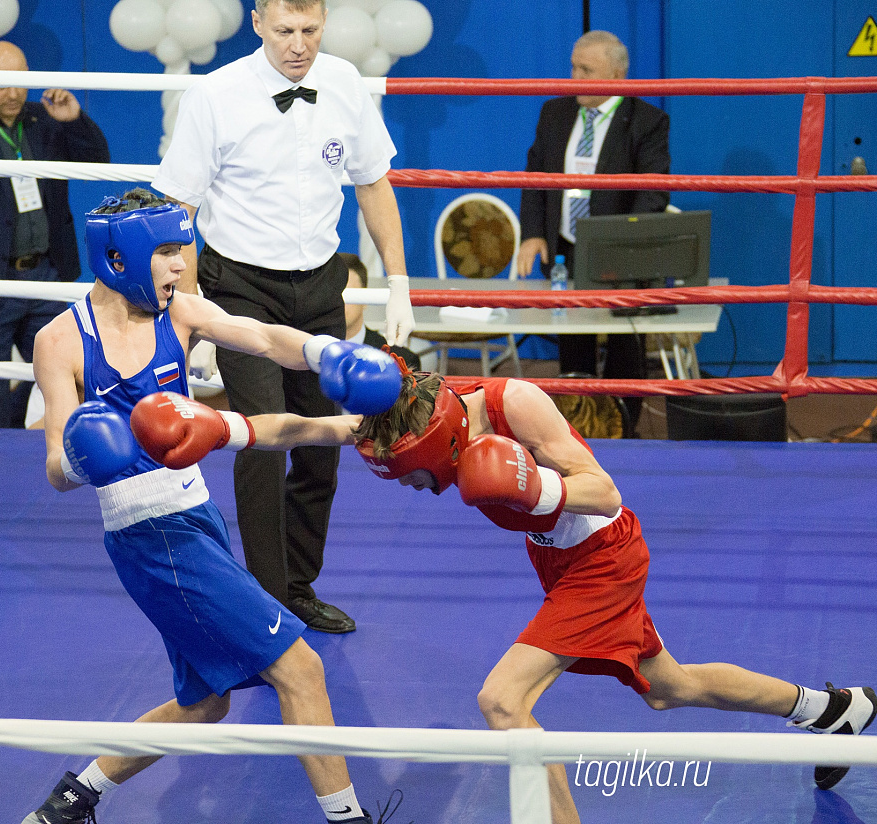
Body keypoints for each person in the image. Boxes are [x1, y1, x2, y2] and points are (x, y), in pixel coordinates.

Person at [353, 362, 877, 824]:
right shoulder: (418, 413)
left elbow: (605, 494)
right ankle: (835, 711)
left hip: (602, 559)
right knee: (668, 687)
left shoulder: (512, 403)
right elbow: (322, 427)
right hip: (559, 559)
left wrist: (538, 488)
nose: (403, 484)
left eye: (406, 471)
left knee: (503, 701)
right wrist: (268, 430)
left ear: (434, 443)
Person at [24, 189, 401, 824]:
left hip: (196, 520)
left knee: (206, 704)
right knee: (302, 669)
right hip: (150, 537)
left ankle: (69, 802)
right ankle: (349, 821)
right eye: (167, 252)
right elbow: (57, 468)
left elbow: (262, 336)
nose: (179, 267)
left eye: (183, 251)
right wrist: (91, 458)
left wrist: (323, 352)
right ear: (122, 256)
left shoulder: (181, 313)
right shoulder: (61, 342)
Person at [150, 0, 415, 634]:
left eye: (311, 30)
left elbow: (374, 182)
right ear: (258, 23)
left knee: (324, 443)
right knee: (264, 436)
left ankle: (298, 586)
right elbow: (179, 206)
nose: (299, 44)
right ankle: (262, 602)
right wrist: (194, 314)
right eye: (286, 30)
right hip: (238, 286)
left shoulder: (346, 83)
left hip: (321, 287)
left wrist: (399, 280)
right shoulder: (216, 95)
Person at [0, 40, 110, 428]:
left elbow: (97, 161)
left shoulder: (44, 117)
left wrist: (73, 119)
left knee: (60, 375)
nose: (13, 93)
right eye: (1, 84)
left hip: (44, 276)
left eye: (20, 82)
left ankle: (32, 448)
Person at [517, 30, 670, 434]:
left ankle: (624, 424)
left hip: (619, 247)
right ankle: (574, 424)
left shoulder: (647, 121)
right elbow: (535, 178)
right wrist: (532, 233)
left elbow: (653, 191)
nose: (575, 77)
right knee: (573, 336)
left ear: (617, 76)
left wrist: (624, 245)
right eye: (573, 67)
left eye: (587, 70)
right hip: (566, 246)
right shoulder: (555, 113)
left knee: (624, 342)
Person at [341, 252, 421, 372]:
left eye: (348, 294)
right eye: (332, 294)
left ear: (365, 299)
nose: (339, 302)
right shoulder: (304, 357)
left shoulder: (401, 362)